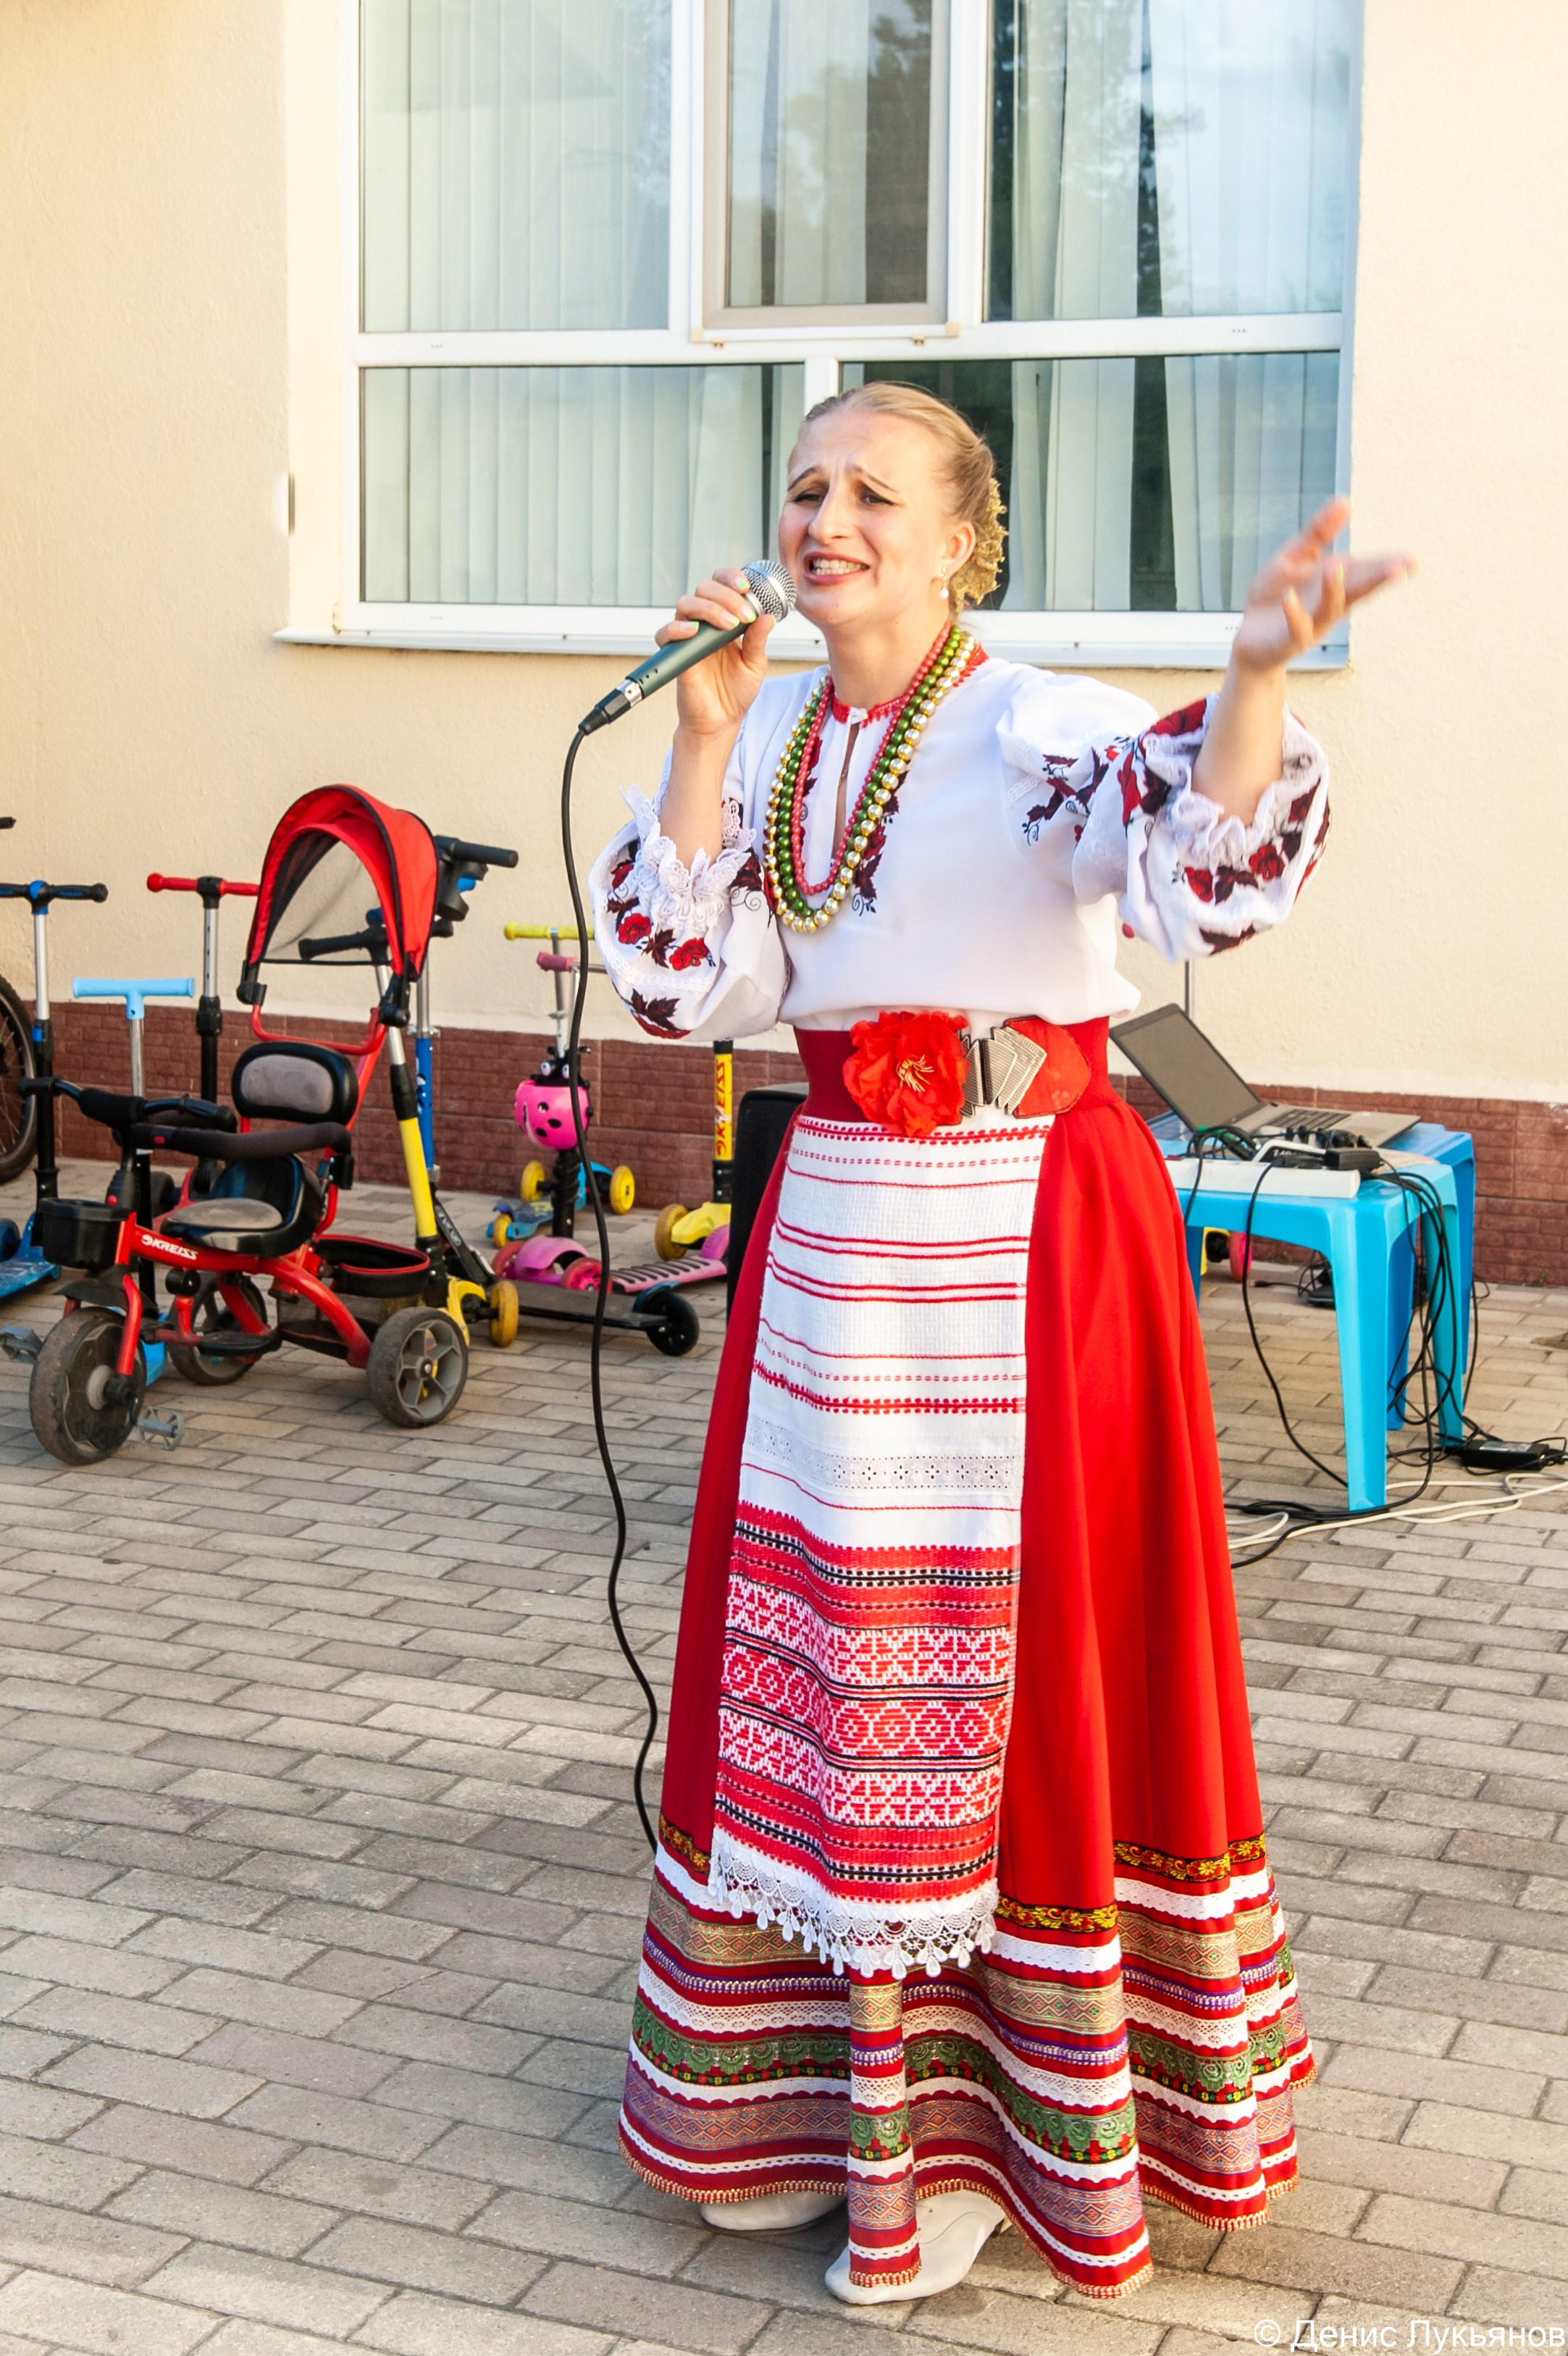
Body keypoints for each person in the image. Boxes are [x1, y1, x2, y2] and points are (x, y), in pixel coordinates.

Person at [590, 382, 1412, 2307]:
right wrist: (703, 735)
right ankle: (807, 2104)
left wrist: (1260, 682)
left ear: (967, 537)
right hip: (845, 1242)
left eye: (876, 489)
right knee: (833, 1646)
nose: (827, 517)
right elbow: (685, 981)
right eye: (805, 487)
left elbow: (1204, 878)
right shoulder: (777, 731)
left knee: (1018, 1669)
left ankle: (999, 2131)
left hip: (1032, 1227)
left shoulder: (1037, 721)